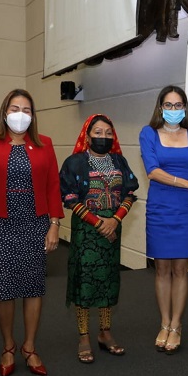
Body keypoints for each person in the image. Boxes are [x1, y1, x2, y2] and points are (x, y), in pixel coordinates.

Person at [0, 89, 63, 376]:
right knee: (4, 287)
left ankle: (30, 347)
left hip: (35, 223)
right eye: (14, 108)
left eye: (26, 109)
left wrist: (55, 224)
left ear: (33, 116)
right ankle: (8, 346)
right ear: (4, 112)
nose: (20, 114)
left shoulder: (45, 144)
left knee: (34, 286)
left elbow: (52, 187)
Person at [60, 114, 139, 363]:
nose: (103, 137)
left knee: (108, 281)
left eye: (108, 133)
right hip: (86, 232)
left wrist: (114, 221)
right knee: (85, 282)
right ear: (87, 134)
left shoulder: (119, 161)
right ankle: (84, 336)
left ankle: (105, 333)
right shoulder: (74, 162)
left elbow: (129, 194)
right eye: (98, 132)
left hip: (112, 231)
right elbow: (70, 199)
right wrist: (98, 223)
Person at [139, 85, 188, 355]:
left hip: (185, 209)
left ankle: (176, 325)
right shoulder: (148, 133)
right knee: (161, 269)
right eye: (168, 105)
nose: (173, 110)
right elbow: (153, 171)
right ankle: (164, 323)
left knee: (181, 269)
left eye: (178, 105)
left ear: (185, 109)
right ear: (160, 108)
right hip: (159, 207)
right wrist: (186, 182)